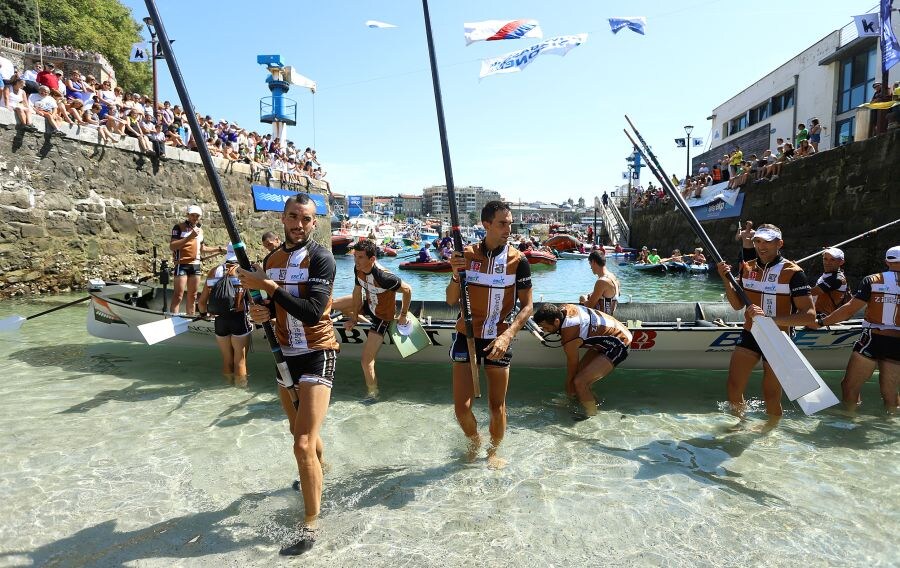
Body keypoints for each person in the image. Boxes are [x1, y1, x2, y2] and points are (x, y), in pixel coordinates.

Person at [237, 195, 338, 556]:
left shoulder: (322, 259)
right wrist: (260, 311)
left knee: (301, 443)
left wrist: (268, 287)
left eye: (306, 219)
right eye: (293, 217)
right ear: (283, 218)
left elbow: (312, 312)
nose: (298, 224)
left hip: (317, 353)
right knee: (302, 434)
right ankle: (320, 472)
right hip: (285, 356)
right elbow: (269, 307)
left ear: (314, 223)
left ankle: (311, 524)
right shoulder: (271, 259)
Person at [446, 201, 533, 468]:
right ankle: (474, 441)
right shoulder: (466, 255)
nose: (509, 228)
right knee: (461, 408)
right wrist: (454, 273)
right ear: (486, 225)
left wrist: (507, 336)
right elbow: (450, 301)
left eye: (510, 223)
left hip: (498, 338)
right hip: (467, 335)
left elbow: (528, 307)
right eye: (502, 223)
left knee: (497, 407)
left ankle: (493, 452)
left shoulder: (519, 261)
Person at [715, 224, 815, 426]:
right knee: (733, 387)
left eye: (768, 242)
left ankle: (770, 432)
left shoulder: (794, 273)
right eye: (758, 241)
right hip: (750, 332)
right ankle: (739, 426)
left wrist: (771, 319)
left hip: (779, 337)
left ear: (779, 243)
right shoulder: (748, 267)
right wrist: (726, 279)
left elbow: (809, 316)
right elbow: (736, 305)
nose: (762, 246)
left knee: (771, 395)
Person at [816, 246, 899, 413]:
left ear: (886, 262)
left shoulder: (873, 280)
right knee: (890, 392)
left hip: (873, 338)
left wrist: (821, 322)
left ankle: (849, 421)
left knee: (849, 386)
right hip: (897, 343)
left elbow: (849, 310)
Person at [333, 239, 412, 399]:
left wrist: (403, 315)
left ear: (372, 259)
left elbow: (408, 290)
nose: (356, 261)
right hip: (368, 304)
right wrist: (354, 318)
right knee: (331, 303)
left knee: (366, 361)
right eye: (355, 257)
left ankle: (372, 394)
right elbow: (357, 292)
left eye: (360, 257)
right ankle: (315, 324)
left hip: (382, 317)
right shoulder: (358, 269)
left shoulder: (385, 277)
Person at [533, 303, 632, 418]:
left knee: (579, 382)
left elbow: (572, 367)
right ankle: (592, 401)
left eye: (546, 327)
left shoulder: (569, 335)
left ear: (556, 322)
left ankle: (591, 416)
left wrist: (569, 389)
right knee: (580, 380)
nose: (545, 331)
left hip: (619, 344)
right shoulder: (563, 309)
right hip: (605, 340)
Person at [197, 244, 251, 385]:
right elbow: (256, 299)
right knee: (240, 359)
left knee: (227, 359)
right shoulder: (245, 271)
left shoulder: (213, 271)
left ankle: (227, 386)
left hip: (220, 320)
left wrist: (203, 315)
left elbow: (202, 303)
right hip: (239, 319)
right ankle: (240, 390)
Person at [169, 205, 224, 315]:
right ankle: (173, 318)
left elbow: (203, 249)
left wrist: (219, 249)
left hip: (195, 265)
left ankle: (191, 318)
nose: (195, 218)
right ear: (188, 215)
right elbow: (173, 246)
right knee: (178, 295)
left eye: (197, 216)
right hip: (182, 264)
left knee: (193, 296)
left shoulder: (200, 230)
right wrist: (190, 237)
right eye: (192, 215)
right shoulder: (178, 227)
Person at [810, 247, 851, 317]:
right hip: (816, 316)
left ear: (841, 262)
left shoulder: (837, 279)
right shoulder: (828, 275)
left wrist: (796, 272)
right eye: (825, 259)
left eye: (832, 260)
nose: (827, 262)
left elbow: (811, 292)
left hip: (824, 320)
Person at [579, 250, 620, 316]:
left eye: (590, 264)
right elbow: (609, 297)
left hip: (602, 321)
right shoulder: (613, 278)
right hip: (610, 317)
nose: (590, 267)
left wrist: (583, 299)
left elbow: (589, 305)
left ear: (594, 262)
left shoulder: (602, 281)